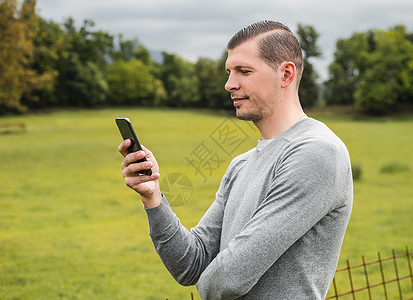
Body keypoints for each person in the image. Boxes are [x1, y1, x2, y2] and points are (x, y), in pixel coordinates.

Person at [118, 20, 353, 300]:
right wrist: (153, 197)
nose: (229, 84)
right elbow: (192, 264)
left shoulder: (317, 152)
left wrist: (207, 282)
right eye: (229, 72)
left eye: (244, 71)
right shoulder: (240, 165)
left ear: (286, 74)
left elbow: (228, 278)